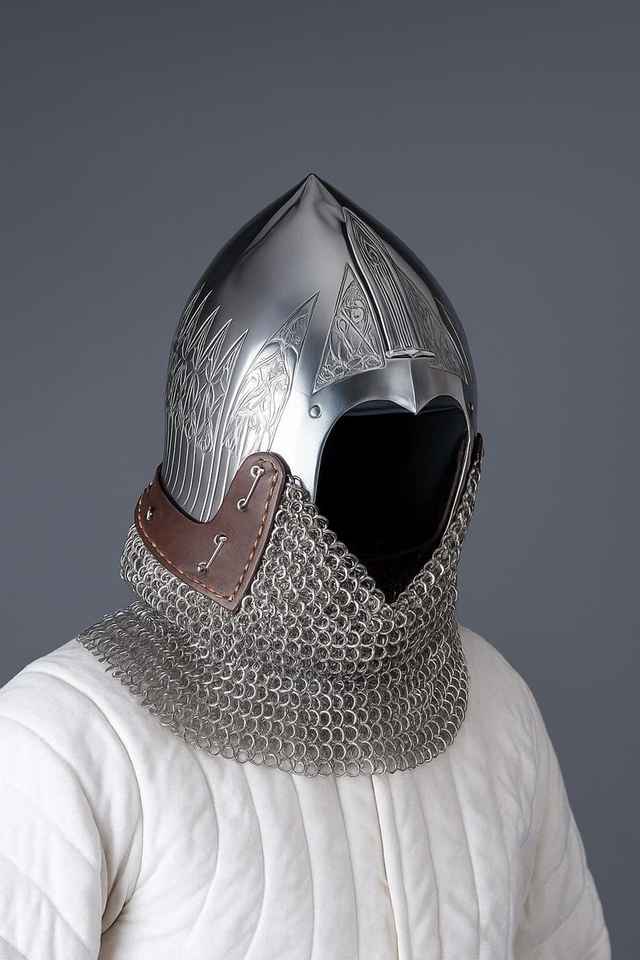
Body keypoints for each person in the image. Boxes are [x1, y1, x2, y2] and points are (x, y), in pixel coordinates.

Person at [0, 175, 610, 959]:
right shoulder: (67, 742)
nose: (399, 488)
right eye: (364, 452)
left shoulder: (495, 706)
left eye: (429, 448)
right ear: (248, 480)